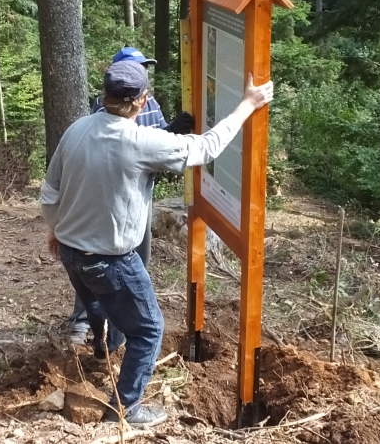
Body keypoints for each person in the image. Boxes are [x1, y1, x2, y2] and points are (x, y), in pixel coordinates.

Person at [41, 60, 273, 427]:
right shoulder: (139, 141)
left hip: (71, 252)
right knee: (148, 331)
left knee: (97, 302)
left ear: (105, 95)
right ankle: (125, 410)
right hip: (110, 260)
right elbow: (207, 147)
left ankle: (103, 351)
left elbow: (50, 190)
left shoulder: (77, 129)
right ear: (142, 100)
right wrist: (248, 103)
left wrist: (56, 229)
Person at [68, 47, 195, 345]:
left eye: (144, 67)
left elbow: (158, 139)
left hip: (139, 196)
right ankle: (83, 322)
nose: (143, 73)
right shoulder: (104, 110)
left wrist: (173, 131)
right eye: (137, 68)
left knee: (138, 259)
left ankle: (122, 324)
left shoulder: (149, 102)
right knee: (95, 261)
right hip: (107, 198)